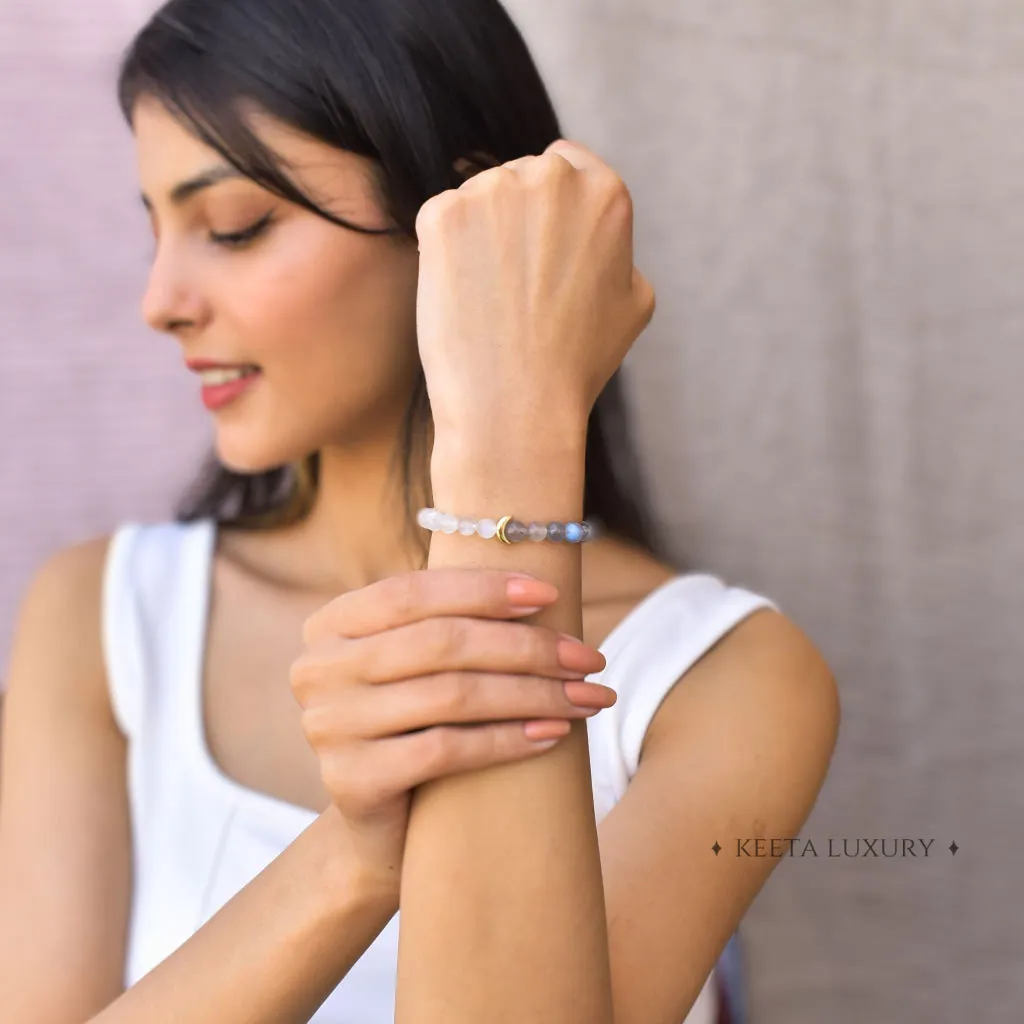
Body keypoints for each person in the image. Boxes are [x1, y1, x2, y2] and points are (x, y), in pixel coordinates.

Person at [0, 1, 840, 1022]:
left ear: (465, 215)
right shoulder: (105, 615)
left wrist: (516, 432)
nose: (162, 300)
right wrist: (350, 859)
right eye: (157, 229)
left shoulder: (723, 676)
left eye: (234, 226)